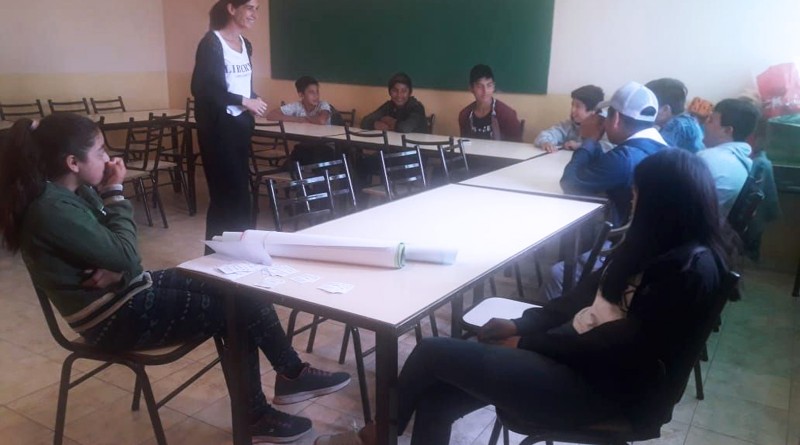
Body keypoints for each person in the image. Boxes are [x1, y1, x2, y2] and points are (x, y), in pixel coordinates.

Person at [315, 148, 732, 445]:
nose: (631, 202)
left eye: (638, 196)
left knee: (432, 352)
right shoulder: (649, 248)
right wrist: (519, 325)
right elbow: (574, 302)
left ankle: (374, 437)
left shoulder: (689, 271)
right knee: (438, 396)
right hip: (575, 361)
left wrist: (528, 343)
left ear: (664, 207)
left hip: (603, 389)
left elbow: (620, 351)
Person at [0, 113, 352, 443]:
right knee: (233, 313)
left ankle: (291, 373)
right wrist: (116, 199)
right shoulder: (51, 208)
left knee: (235, 284)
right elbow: (126, 252)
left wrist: (121, 265)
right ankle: (255, 416)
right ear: (72, 163)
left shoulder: (76, 191)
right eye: (100, 151)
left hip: (127, 289)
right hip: (112, 318)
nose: (109, 159)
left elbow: (122, 251)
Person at [191, 0, 267, 244]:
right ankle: (216, 256)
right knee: (225, 199)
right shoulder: (211, 43)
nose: (254, 14)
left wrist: (253, 98)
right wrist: (244, 100)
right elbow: (203, 89)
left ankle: (241, 250)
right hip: (218, 131)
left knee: (241, 197)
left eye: (257, 9)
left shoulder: (246, 44)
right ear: (232, 9)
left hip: (239, 128)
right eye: (249, 8)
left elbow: (241, 85)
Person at [560, 81, 667, 227]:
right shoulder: (661, 148)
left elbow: (569, 183)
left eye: (606, 117)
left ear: (615, 119)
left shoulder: (625, 158)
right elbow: (600, 167)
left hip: (614, 237)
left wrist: (590, 139)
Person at [698, 98, 760, 216]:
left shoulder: (708, 159)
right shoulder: (743, 162)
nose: (704, 123)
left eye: (711, 120)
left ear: (727, 130)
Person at [458, 64, 522, 142]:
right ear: (471, 88)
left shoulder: (507, 115)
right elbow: (465, 145)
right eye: (479, 86)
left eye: (489, 85)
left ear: (493, 87)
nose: (485, 91)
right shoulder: (464, 115)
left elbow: (517, 146)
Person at [535, 85, 607, 152]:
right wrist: (546, 142)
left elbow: (608, 147)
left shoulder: (607, 125)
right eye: (572, 105)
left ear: (593, 110)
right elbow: (545, 135)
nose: (572, 110)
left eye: (578, 106)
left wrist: (580, 146)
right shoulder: (571, 124)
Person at [645, 78, 705, 153]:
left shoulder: (676, 125)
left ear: (665, 110)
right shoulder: (687, 121)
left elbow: (656, 153)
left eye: (648, 107)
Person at [361, 73, 428, 133]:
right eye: (395, 90)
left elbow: (404, 128)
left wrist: (390, 121)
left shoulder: (417, 107)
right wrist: (375, 124)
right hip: (395, 142)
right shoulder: (389, 105)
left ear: (409, 93)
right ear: (390, 92)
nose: (399, 95)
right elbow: (365, 121)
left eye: (404, 91)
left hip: (416, 143)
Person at [267, 76, 332, 125]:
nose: (316, 96)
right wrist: (299, 119)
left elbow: (321, 121)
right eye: (311, 92)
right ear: (301, 95)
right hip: (305, 137)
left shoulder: (323, 105)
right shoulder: (297, 105)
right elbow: (271, 115)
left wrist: (305, 118)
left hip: (324, 139)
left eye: (317, 92)